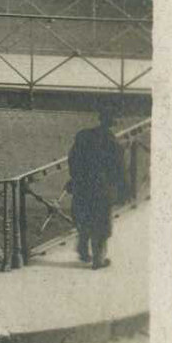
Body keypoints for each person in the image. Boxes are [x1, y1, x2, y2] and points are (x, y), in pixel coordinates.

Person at [67, 111, 129, 268]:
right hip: (102, 188)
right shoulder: (114, 144)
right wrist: (123, 189)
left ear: (100, 119)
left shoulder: (83, 136)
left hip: (82, 185)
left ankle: (82, 247)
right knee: (101, 222)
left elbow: (72, 159)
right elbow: (119, 169)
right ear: (113, 124)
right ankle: (98, 259)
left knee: (84, 216)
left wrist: (75, 178)